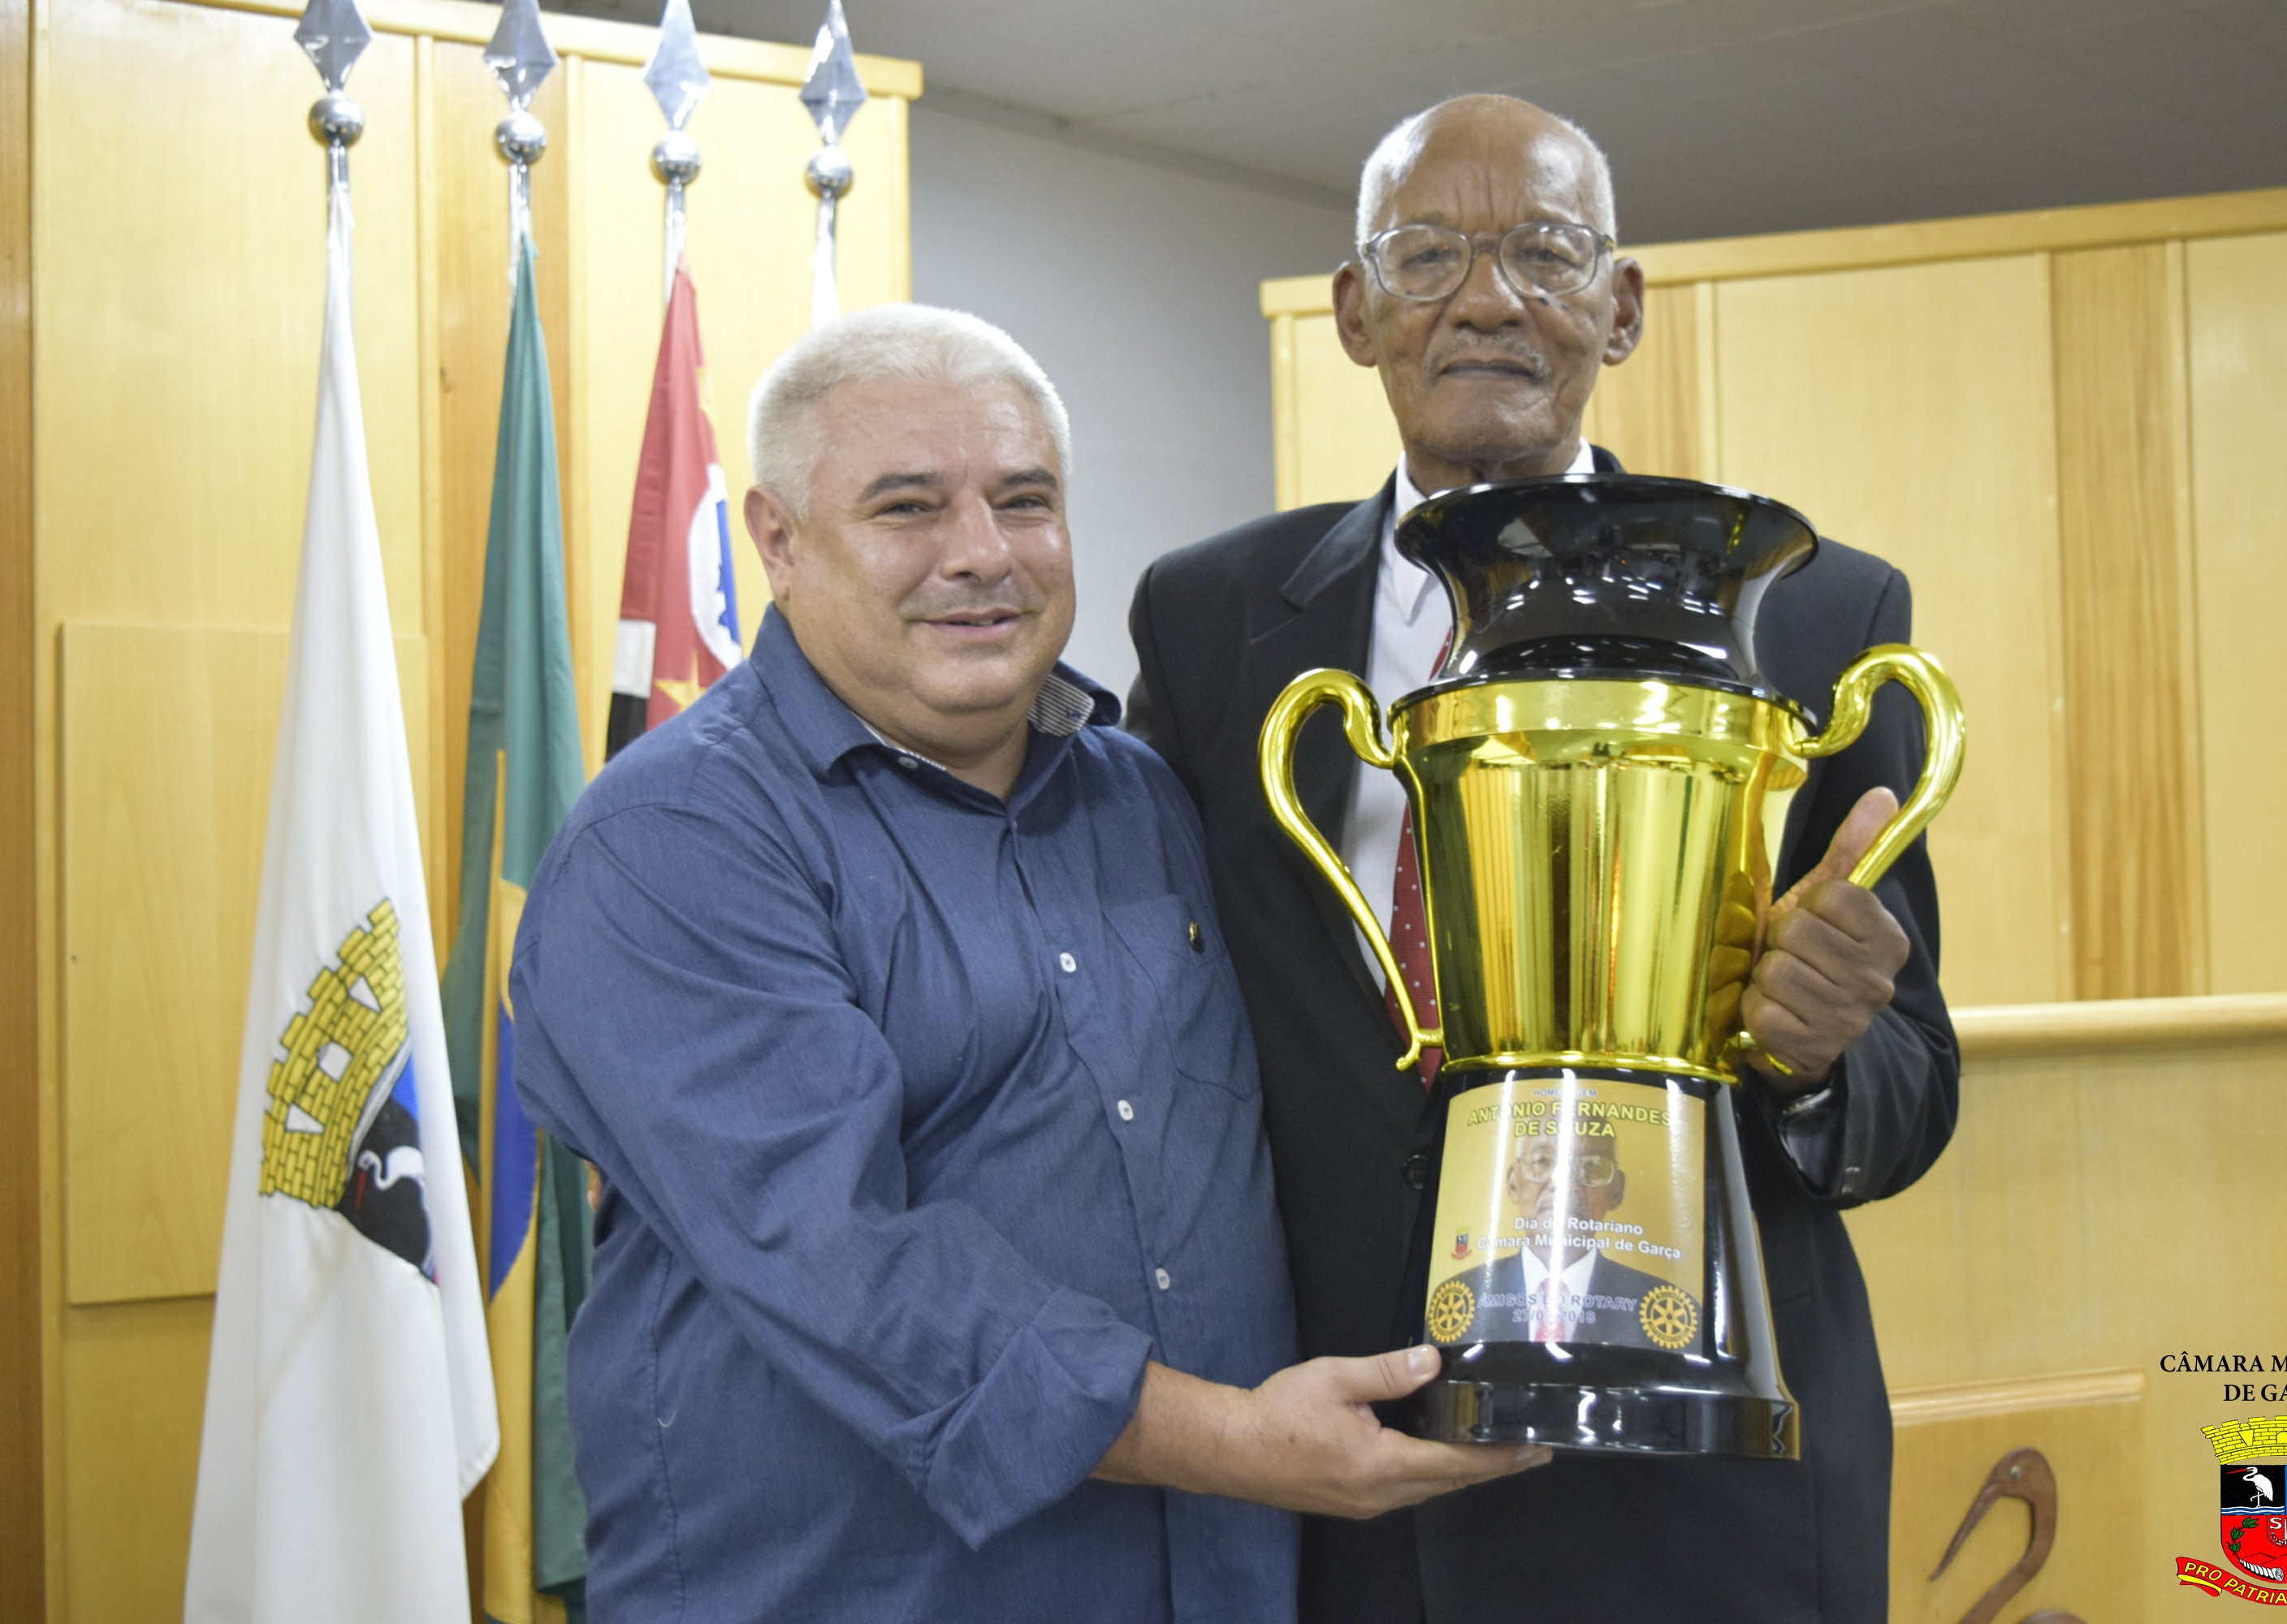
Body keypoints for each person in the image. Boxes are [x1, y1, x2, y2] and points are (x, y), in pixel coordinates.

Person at [508, 304, 1544, 1622]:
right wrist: (1236, 1441)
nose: (982, 554)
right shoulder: (673, 843)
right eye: (907, 508)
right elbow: (845, 1265)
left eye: (1024, 500)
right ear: (777, 539)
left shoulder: (1150, 803)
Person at [1126, 96, 1959, 1624]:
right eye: (1427, 257)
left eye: (1545, 253)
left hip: (1704, 1490)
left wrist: (1822, 1054)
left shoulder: (1812, 615)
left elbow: (1908, 1090)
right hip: (1348, 1464)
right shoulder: (1208, 619)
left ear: (1620, 308)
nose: (1487, 299)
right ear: (1355, 310)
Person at [1441, 1137, 1674, 1348]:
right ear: (1513, 1183)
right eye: (1542, 1161)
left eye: (1592, 1166)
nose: (1566, 1184)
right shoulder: (1461, 1298)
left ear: (1616, 1191)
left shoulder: (1664, 1309)